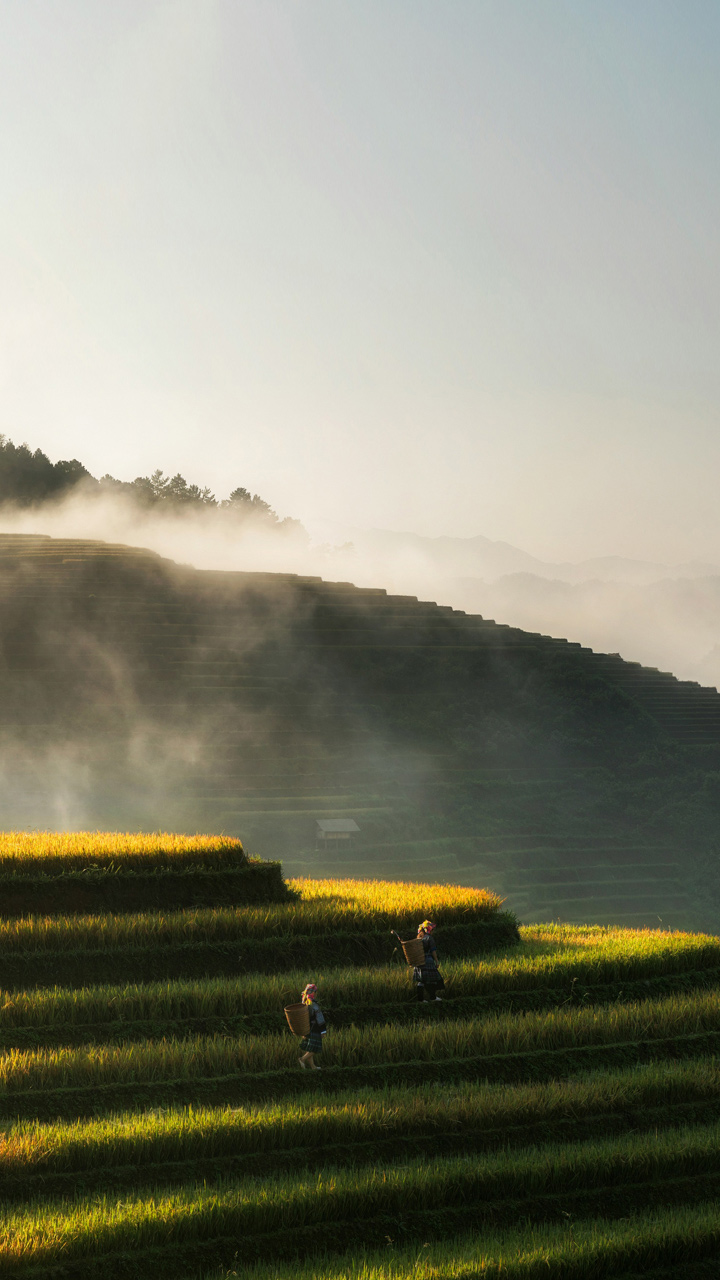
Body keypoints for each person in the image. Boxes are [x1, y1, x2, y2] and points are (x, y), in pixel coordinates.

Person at [413, 920, 445, 1002]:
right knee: (432, 980)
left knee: (421, 980)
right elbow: (433, 950)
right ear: (429, 929)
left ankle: (420, 1000)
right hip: (427, 961)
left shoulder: (418, 938)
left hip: (418, 961)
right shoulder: (429, 938)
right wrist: (436, 961)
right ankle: (433, 997)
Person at [298, 982, 327, 1069]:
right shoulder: (313, 1004)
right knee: (314, 1048)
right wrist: (323, 1030)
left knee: (310, 1048)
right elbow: (319, 1018)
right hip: (314, 1028)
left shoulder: (304, 1002)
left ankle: (313, 1066)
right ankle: (302, 1059)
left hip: (307, 1028)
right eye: (315, 991)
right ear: (313, 992)